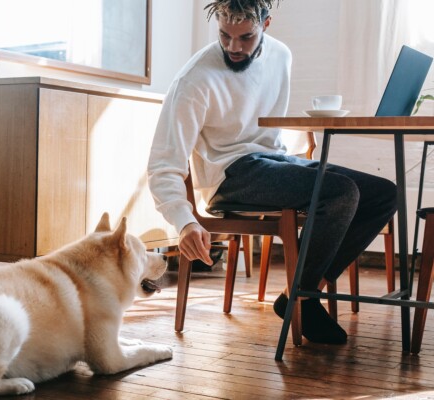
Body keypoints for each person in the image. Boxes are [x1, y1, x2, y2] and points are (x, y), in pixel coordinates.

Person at [147, 0, 397, 344]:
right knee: (341, 192)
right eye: (224, 36)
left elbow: (267, 134)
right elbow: (163, 164)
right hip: (230, 175)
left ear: (266, 24)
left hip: (272, 160)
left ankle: (301, 292)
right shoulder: (195, 80)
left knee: (383, 193)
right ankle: (304, 298)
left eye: (245, 37)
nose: (233, 47)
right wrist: (185, 221)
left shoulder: (281, 55)